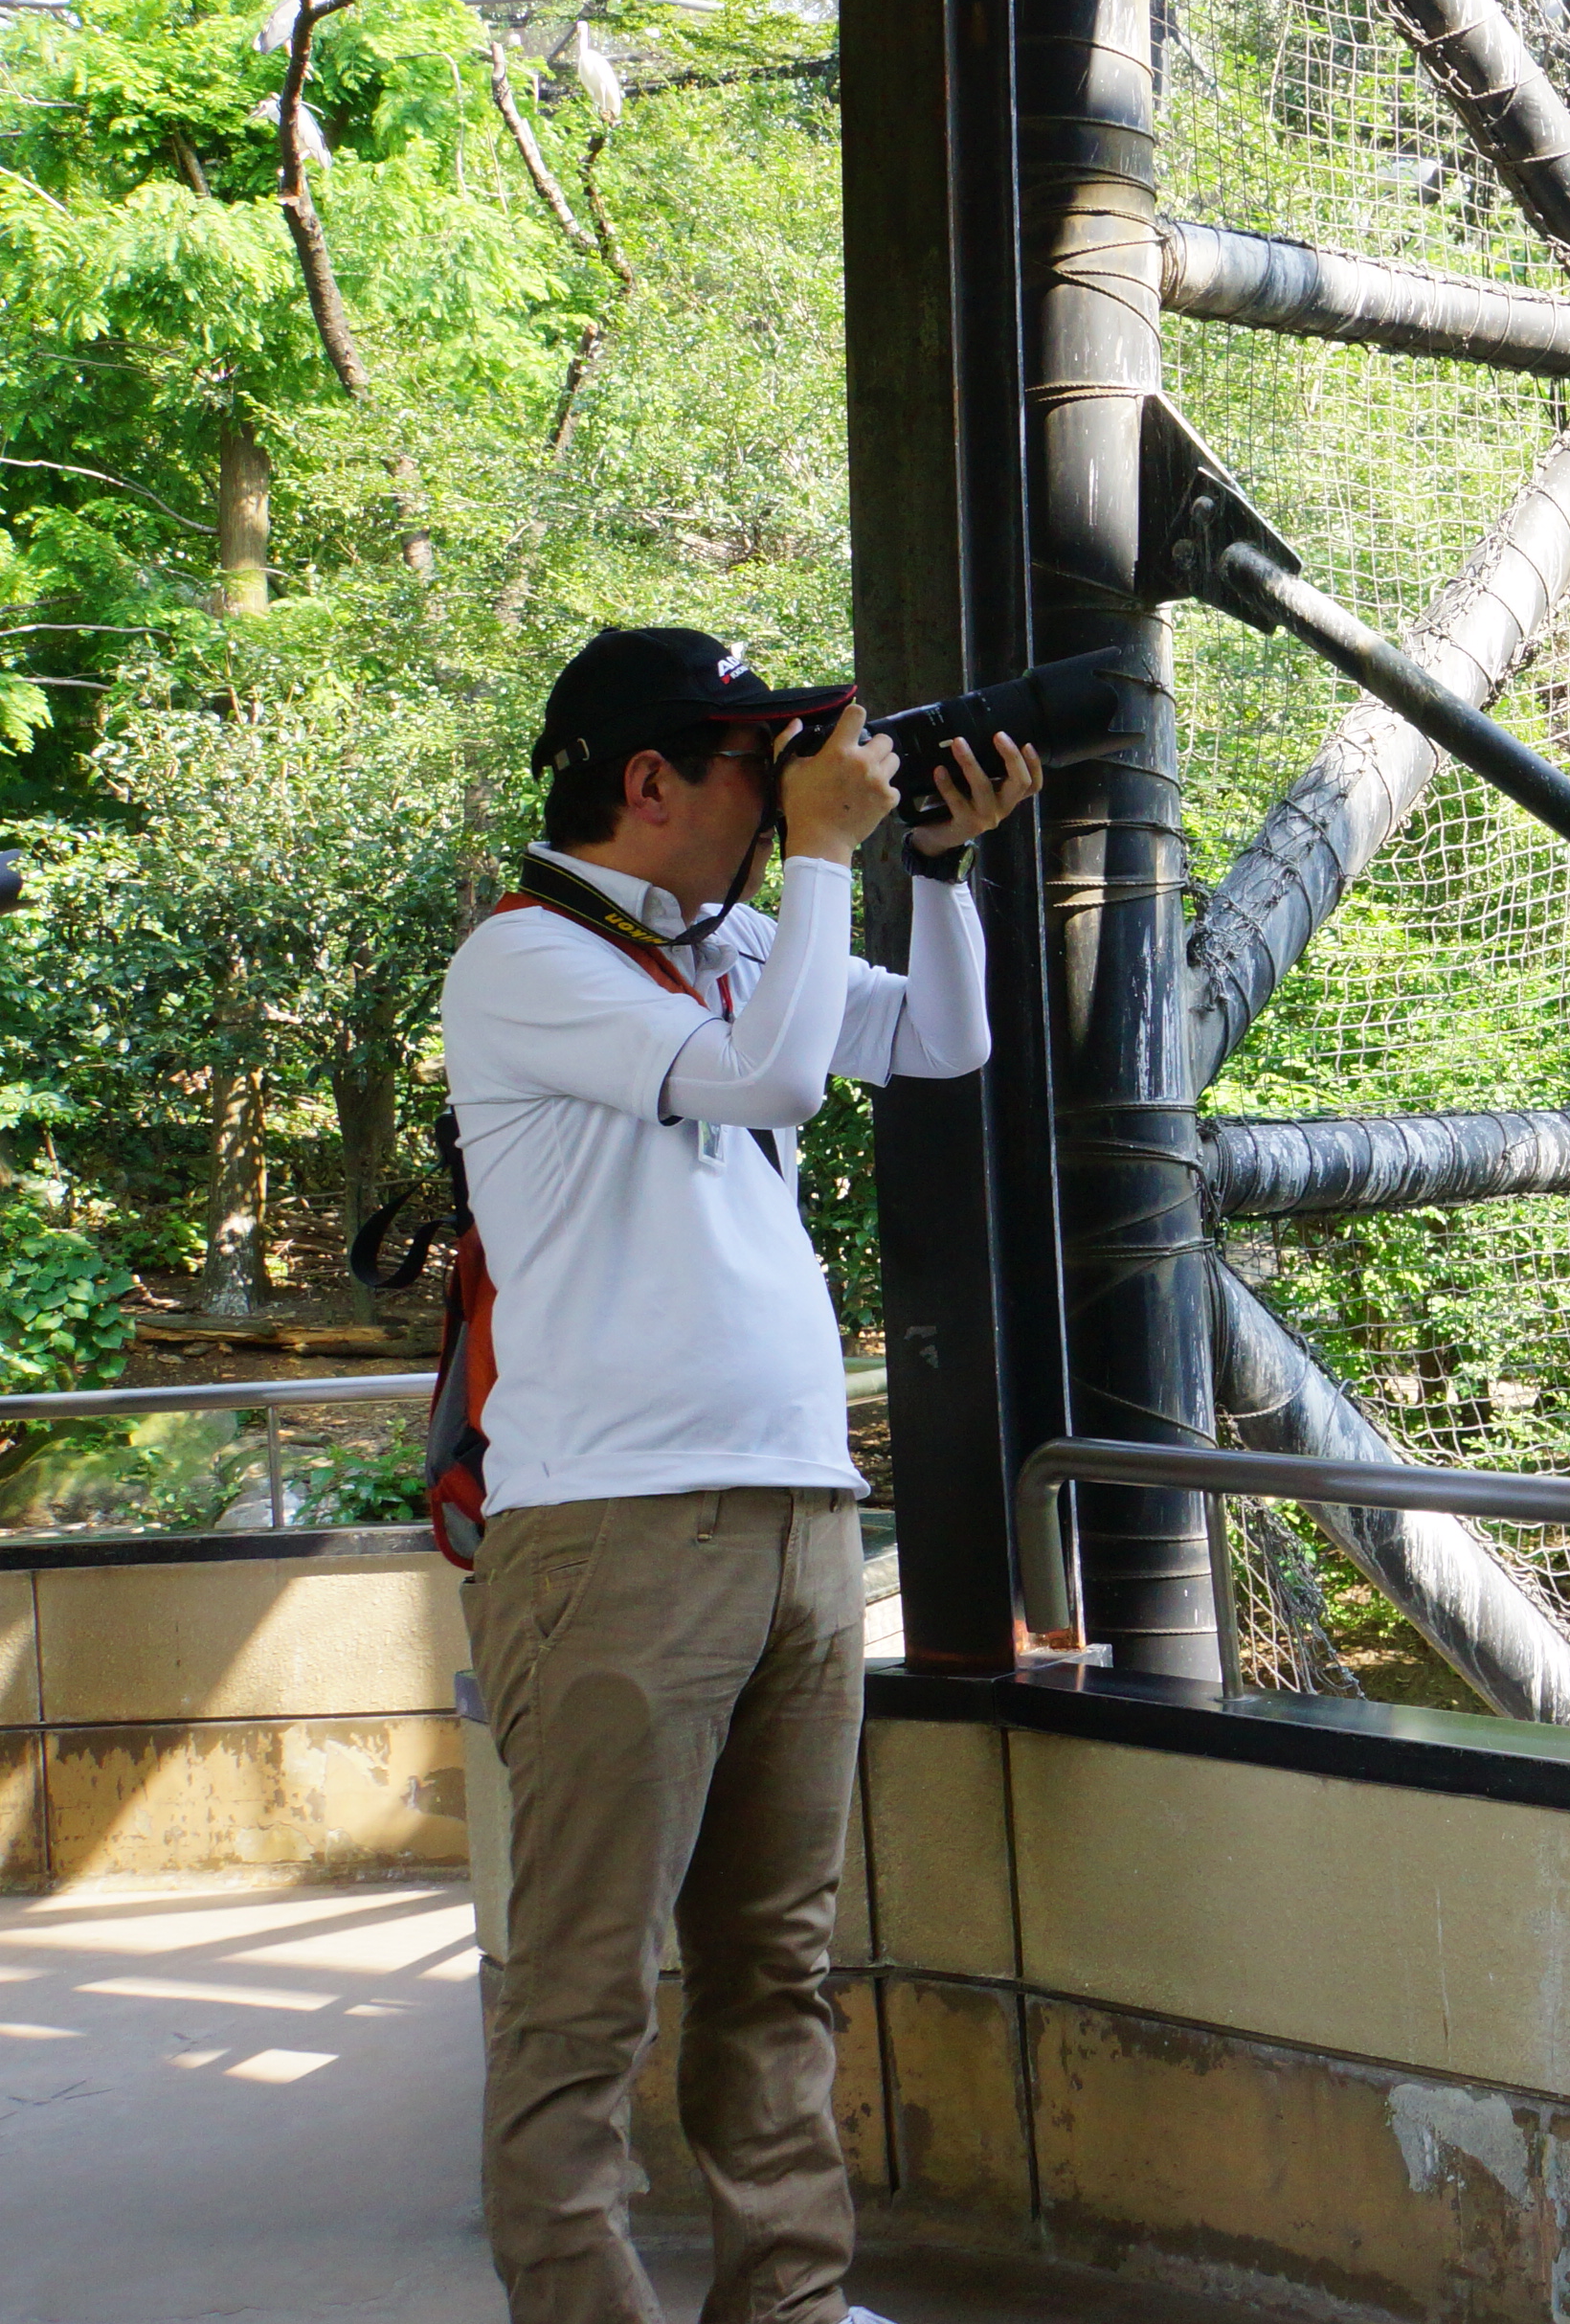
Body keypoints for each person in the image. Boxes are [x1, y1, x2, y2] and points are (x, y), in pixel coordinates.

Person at [442, 626, 1043, 2324]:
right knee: (584, 1997)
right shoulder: (522, 960)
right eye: (753, 768)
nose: (790, 801)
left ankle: (786, 2300)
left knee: (774, 1969)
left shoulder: (731, 941)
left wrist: (932, 868)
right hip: (614, 1529)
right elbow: (779, 1073)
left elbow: (934, 1043)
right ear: (647, 780)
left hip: (791, 1515)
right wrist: (840, 856)